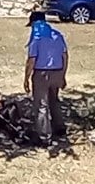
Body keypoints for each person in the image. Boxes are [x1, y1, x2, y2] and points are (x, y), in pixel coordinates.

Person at [24, 10, 68, 147]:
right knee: (54, 100)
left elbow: (32, 59)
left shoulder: (36, 37)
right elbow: (65, 56)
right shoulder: (57, 35)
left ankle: (44, 137)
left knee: (41, 105)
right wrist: (63, 75)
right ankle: (59, 128)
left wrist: (26, 78)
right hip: (57, 71)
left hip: (41, 74)